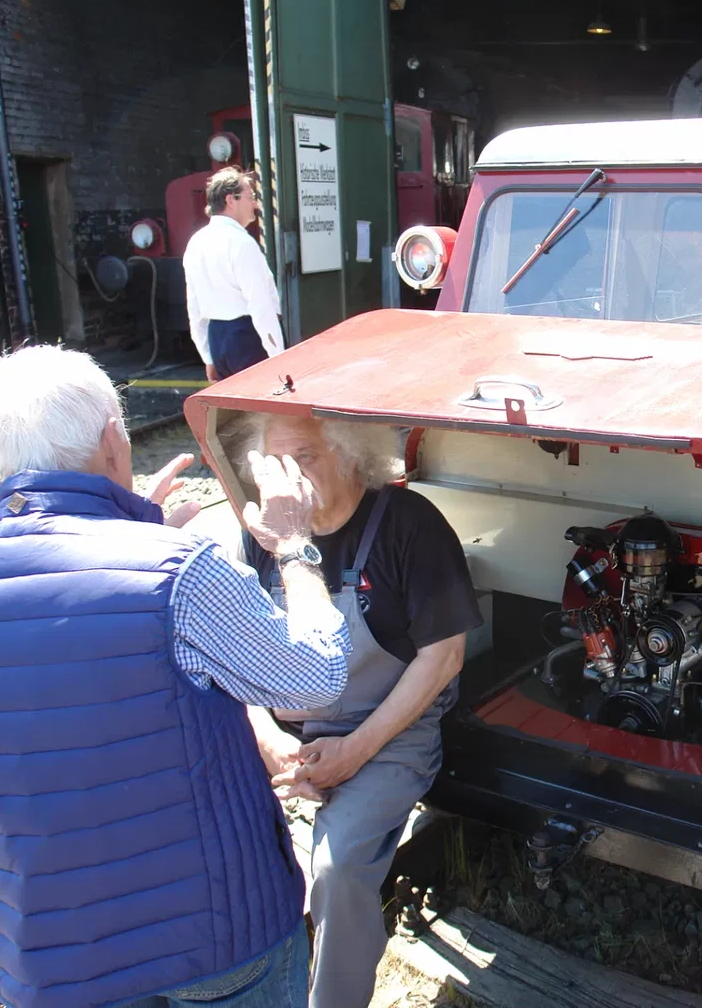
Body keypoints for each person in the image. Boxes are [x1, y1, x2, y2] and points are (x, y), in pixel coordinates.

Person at [0, 346, 354, 1008]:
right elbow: (314, 675)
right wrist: (294, 547)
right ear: (115, 440)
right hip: (214, 941)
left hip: (49, 960)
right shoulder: (179, 572)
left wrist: (132, 534)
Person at [228, 413, 480, 1008]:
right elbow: (231, 653)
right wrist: (266, 736)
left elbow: (444, 658)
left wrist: (352, 752)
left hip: (390, 733)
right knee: (227, 851)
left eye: (304, 458)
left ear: (350, 457)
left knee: (337, 873)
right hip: (286, 738)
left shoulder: (408, 524)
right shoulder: (261, 532)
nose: (286, 480)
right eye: (273, 464)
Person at [185, 167, 284, 382]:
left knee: (233, 411)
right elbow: (260, 306)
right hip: (246, 338)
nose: (255, 204)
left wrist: (208, 357)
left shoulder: (196, 243)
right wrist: (278, 357)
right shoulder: (242, 243)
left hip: (217, 337)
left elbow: (194, 309)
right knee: (261, 408)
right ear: (231, 200)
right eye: (251, 197)